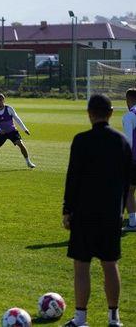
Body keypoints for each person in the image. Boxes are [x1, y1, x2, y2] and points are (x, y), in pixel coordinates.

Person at [62, 94, 130, 327]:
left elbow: (73, 178)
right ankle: (114, 318)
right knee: (110, 264)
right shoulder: (122, 141)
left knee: (82, 266)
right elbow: (131, 181)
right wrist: (120, 208)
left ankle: (81, 318)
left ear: (89, 114)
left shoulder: (81, 140)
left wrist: (67, 210)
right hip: (111, 214)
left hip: (84, 213)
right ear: (111, 113)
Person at [0, 93, 36, 169]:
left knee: (20, 144)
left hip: (12, 131)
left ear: (4, 100)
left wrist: (24, 129)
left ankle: (28, 162)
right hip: (1, 133)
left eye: (1, 100)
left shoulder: (9, 109)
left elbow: (17, 119)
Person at [121, 87, 136, 232]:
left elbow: (129, 142)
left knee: (128, 190)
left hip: (134, 160)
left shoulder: (129, 116)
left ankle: (133, 222)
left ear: (129, 100)